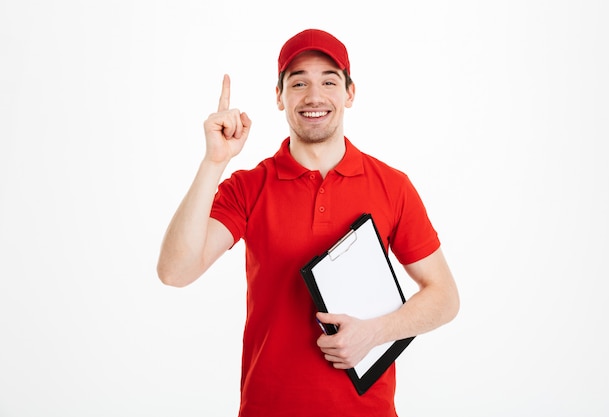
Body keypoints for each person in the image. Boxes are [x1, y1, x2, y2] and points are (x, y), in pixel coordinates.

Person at [157, 28, 460, 417]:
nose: (314, 96)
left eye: (329, 81)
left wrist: (375, 333)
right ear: (280, 97)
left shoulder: (392, 186)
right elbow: (175, 272)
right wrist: (214, 163)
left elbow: (445, 297)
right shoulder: (249, 187)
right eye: (298, 82)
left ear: (350, 93)